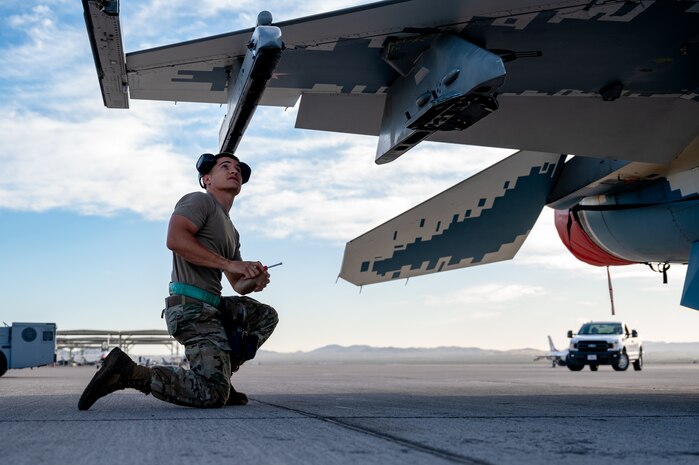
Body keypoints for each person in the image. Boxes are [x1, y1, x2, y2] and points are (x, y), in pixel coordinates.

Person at [78, 152, 278, 410]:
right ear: (206, 179)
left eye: (238, 168)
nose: (234, 171)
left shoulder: (231, 229)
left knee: (264, 315)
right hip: (190, 307)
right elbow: (175, 240)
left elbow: (237, 284)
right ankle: (129, 372)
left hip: (212, 306)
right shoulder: (199, 201)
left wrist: (255, 280)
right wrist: (230, 263)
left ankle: (220, 374)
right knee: (211, 395)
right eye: (225, 166)